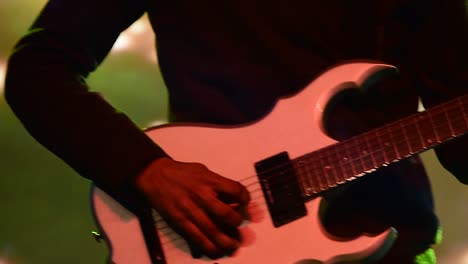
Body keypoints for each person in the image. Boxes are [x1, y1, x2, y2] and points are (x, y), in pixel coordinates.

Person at [4, 0, 468, 263]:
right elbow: (37, 70)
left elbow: (454, 108)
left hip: (392, 245)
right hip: (225, 240)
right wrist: (144, 168)